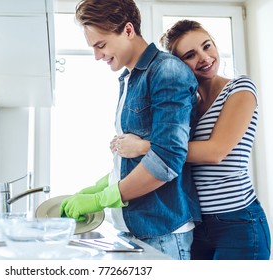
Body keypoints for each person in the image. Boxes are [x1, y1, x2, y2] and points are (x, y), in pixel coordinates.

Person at [111, 19, 271, 260]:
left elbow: (216, 151)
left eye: (207, 46)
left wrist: (145, 146)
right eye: (190, 55)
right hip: (196, 223)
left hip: (238, 222)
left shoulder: (240, 89)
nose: (204, 58)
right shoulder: (189, 103)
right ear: (179, 63)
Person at [59, 0, 201, 260]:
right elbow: (134, 159)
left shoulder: (166, 71)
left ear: (127, 30)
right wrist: (96, 188)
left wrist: (102, 198)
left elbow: (166, 161)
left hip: (163, 233)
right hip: (133, 230)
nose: (97, 55)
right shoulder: (130, 78)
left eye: (101, 45)